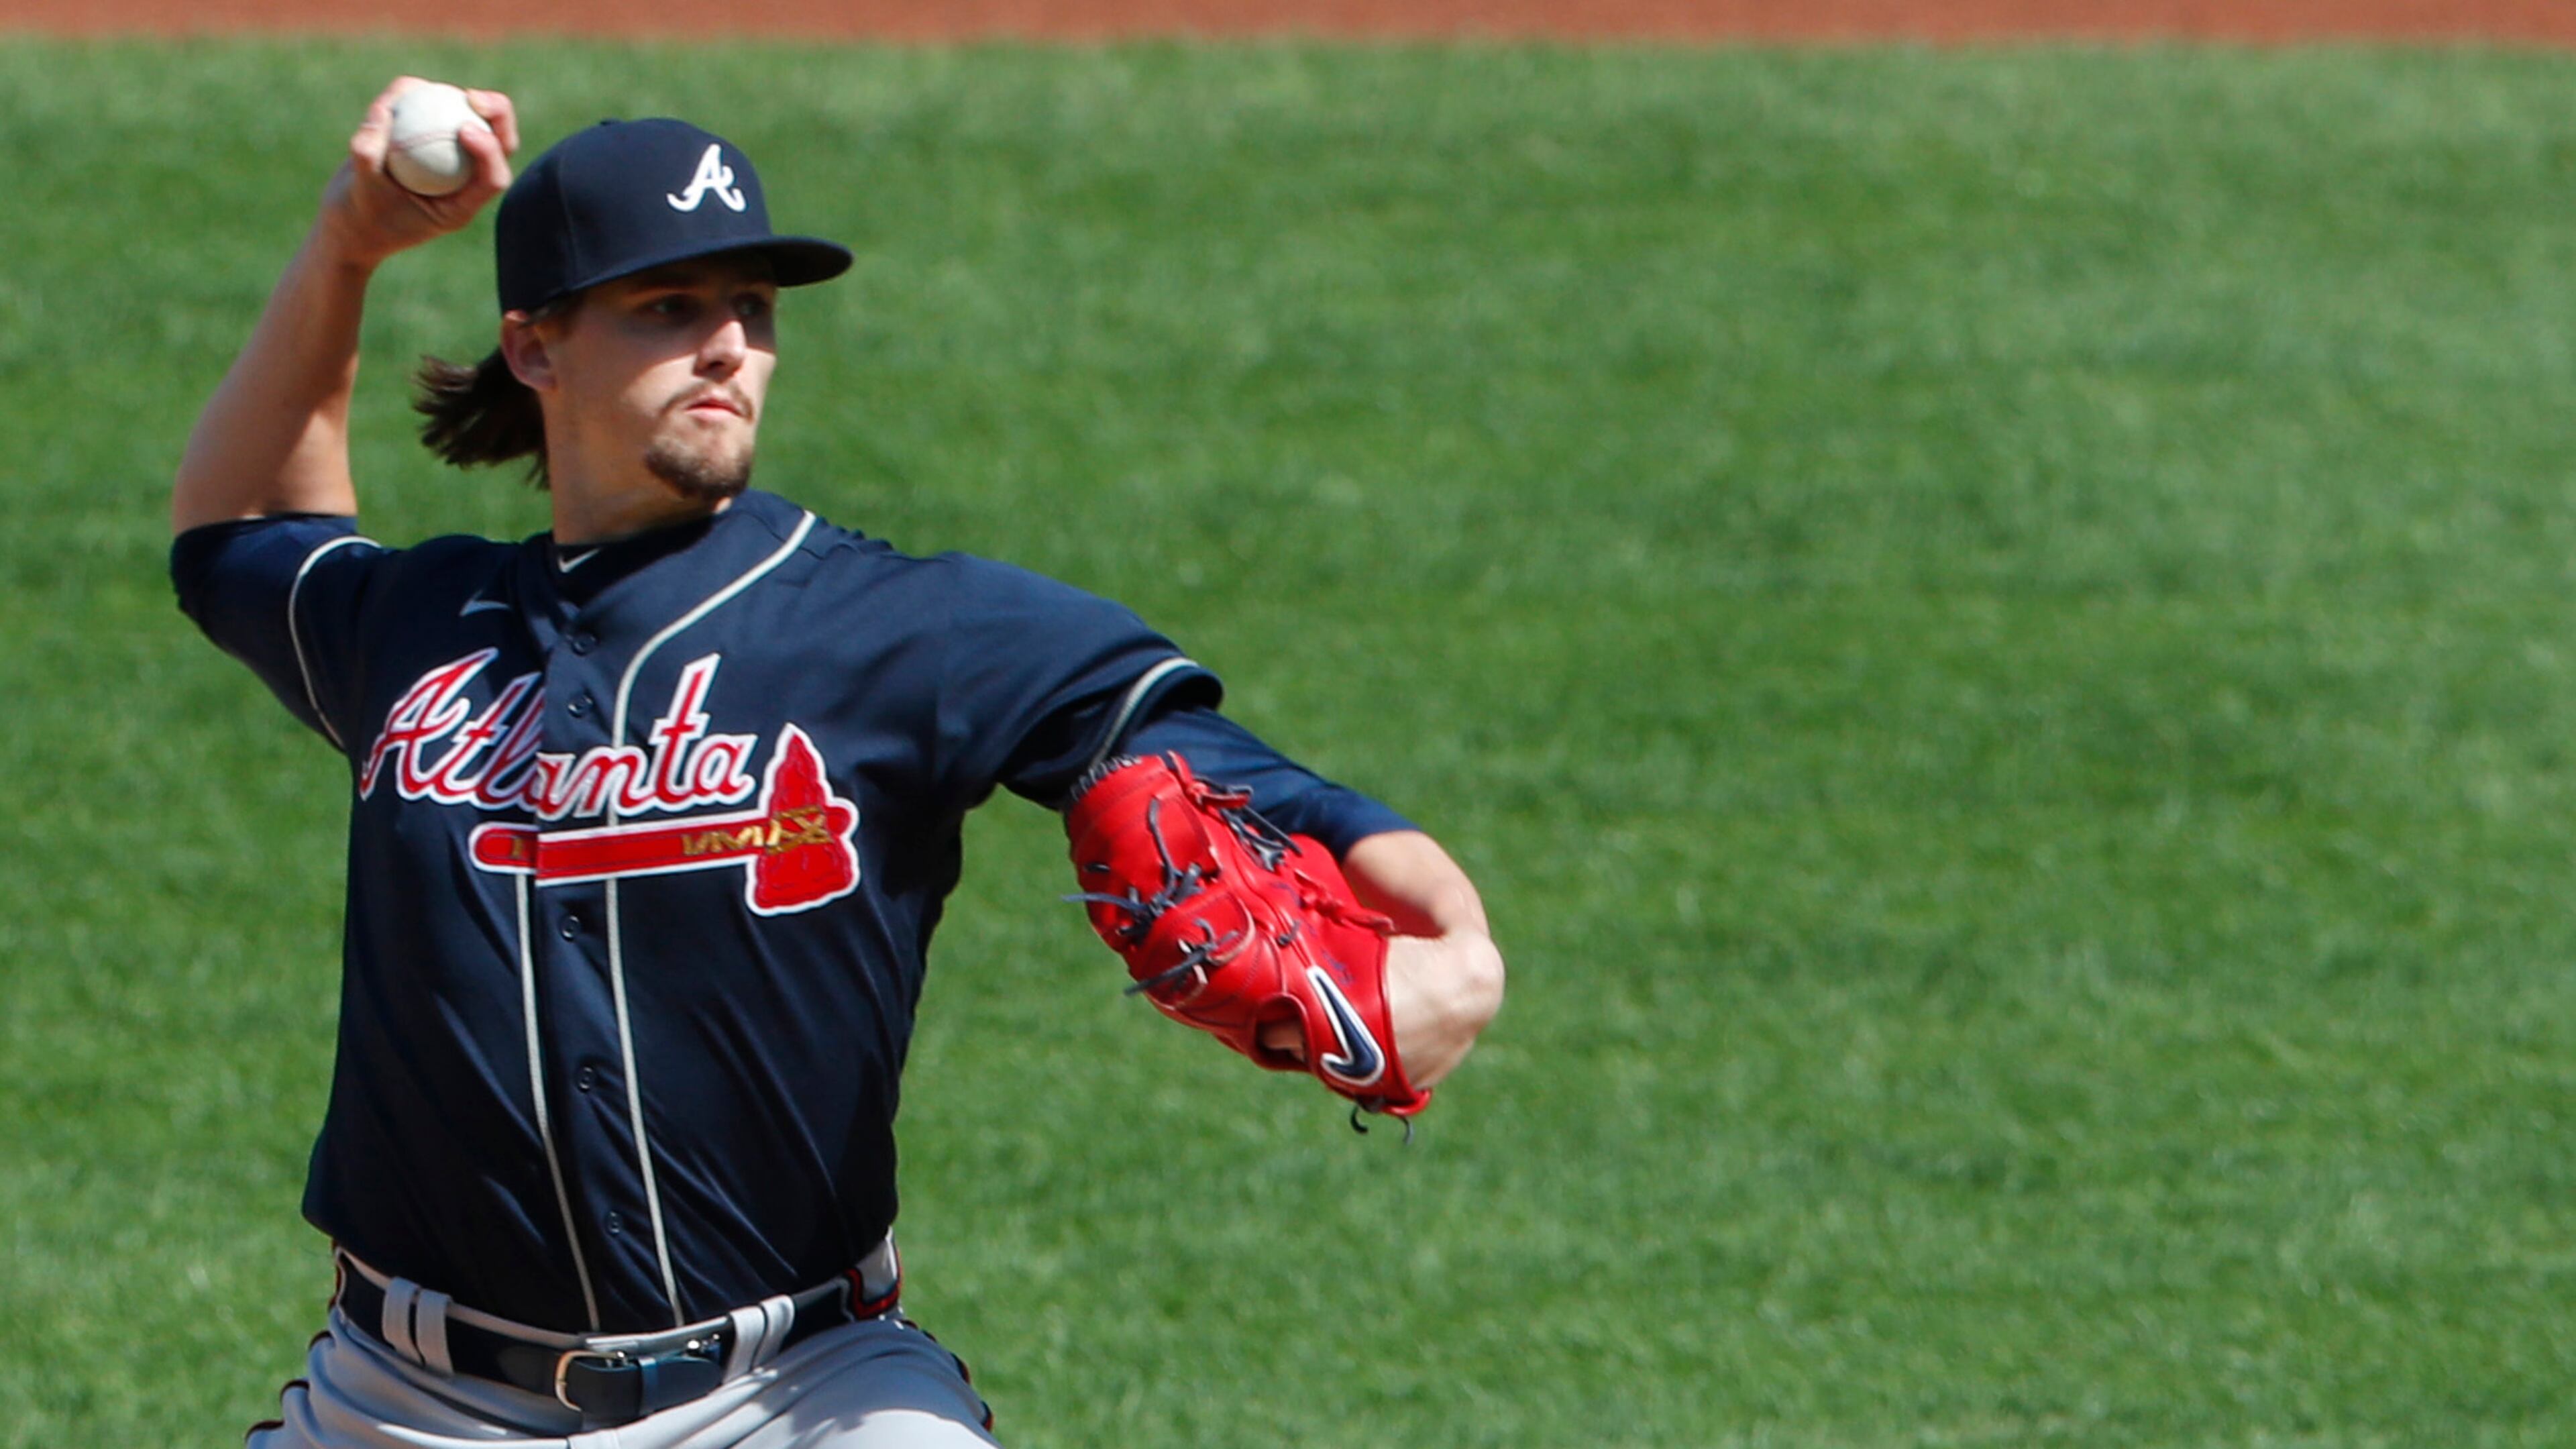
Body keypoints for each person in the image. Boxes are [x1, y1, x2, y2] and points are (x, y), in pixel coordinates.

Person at [170, 77, 1505, 1449]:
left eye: (750, 308)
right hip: (407, 1404)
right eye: (667, 307)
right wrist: (347, 247)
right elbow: (236, 529)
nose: (726, 347)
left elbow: (1208, 767)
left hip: (799, 1394)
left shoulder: (899, 629)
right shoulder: (417, 633)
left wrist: (1456, 940)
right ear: (536, 348)